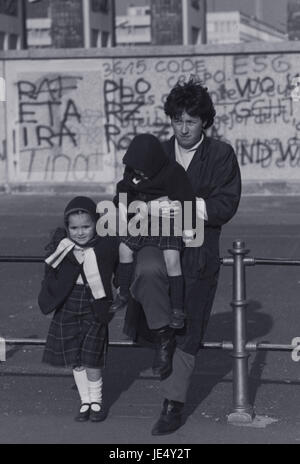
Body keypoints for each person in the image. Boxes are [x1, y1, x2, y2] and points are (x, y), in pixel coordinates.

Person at [123, 78, 242, 435]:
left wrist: (182, 205)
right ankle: (160, 335)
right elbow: (127, 195)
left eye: (191, 120)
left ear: (205, 121)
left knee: (188, 331)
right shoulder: (155, 151)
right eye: (177, 120)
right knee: (144, 275)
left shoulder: (221, 154)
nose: (184, 128)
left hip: (198, 253)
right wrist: (143, 205)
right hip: (154, 243)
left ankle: (172, 404)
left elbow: (226, 204)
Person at [38, 196, 118, 423]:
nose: (80, 232)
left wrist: (122, 289)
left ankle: (97, 401)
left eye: (86, 226)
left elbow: (121, 265)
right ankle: (84, 402)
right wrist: (50, 295)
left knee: (92, 356)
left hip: (95, 304)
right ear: (67, 227)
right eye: (74, 227)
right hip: (68, 303)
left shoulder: (106, 245)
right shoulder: (62, 246)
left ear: (96, 224)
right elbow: (50, 272)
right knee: (75, 356)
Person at [112, 134, 197, 344]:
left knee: (172, 260)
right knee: (124, 248)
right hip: (142, 220)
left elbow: (187, 199)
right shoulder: (132, 172)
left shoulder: (173, 173)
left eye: (142, 169)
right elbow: (123, 192)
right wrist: (128, 209)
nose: (137, 173)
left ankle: (177, 309)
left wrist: (188, 229)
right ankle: (123, 292)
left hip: (168, 223)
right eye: (134, 168)